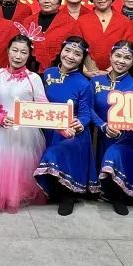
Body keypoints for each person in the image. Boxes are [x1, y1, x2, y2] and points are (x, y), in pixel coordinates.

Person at [34, 36, 96, 216]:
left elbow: (86, 113)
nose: (70, 56)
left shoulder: (84, 83)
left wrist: (80, 123)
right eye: (67, 50)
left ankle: (68, 195)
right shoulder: (48, 74)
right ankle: (54, 192)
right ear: (61, 51)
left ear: (82, 58)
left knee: (56, 154)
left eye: (77, 54)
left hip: (71, 131)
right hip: (49, 128)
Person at [0, 35, 47, 213]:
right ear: (8, 51)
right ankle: (2, 196)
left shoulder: (34, 78)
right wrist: (0, 119)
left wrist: (62, 122)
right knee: (2, 165)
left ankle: (18, 196)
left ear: (29, 55)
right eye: (15, 50)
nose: (18, 56)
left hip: (25, 132)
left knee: (21, 166)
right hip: (1, 129)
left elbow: (42, 104)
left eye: (23, 52)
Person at [94, 41, 133, 215]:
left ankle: (118, 198)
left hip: (127, 138)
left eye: (127, 58)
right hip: (103, 135)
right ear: (110, 56)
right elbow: (88, 109)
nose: (121, 61)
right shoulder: (95, 82)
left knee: (115, 156)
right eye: (118, 55)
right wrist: (102, 125)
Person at [77, 0, 133, 75]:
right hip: (88, 74)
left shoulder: (125, 21)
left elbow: (129, 49)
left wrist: (110, 71)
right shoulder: (82, 21)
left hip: (117, 73)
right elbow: (77, 48)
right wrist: (87, 71)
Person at [30, 0, 79, 71]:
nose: (46, 1)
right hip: (31, 72)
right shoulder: (28, 21)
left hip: (61, 70)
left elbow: (76, 49)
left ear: (59, 0)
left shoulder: (70, 23)